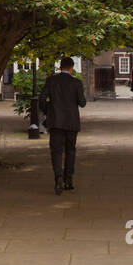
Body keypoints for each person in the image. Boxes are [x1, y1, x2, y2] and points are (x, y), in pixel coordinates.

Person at [38, 56, 87, 195]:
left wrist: (49, 110)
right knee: (70, 151)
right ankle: (69, 180)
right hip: (71, 122)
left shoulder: (51, 81)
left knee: (56, 151)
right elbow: (82, 103)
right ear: (71, 68)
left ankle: (58, 176)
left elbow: (42, 100)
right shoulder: (76, 83)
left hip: (55, 122)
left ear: (60, 67)